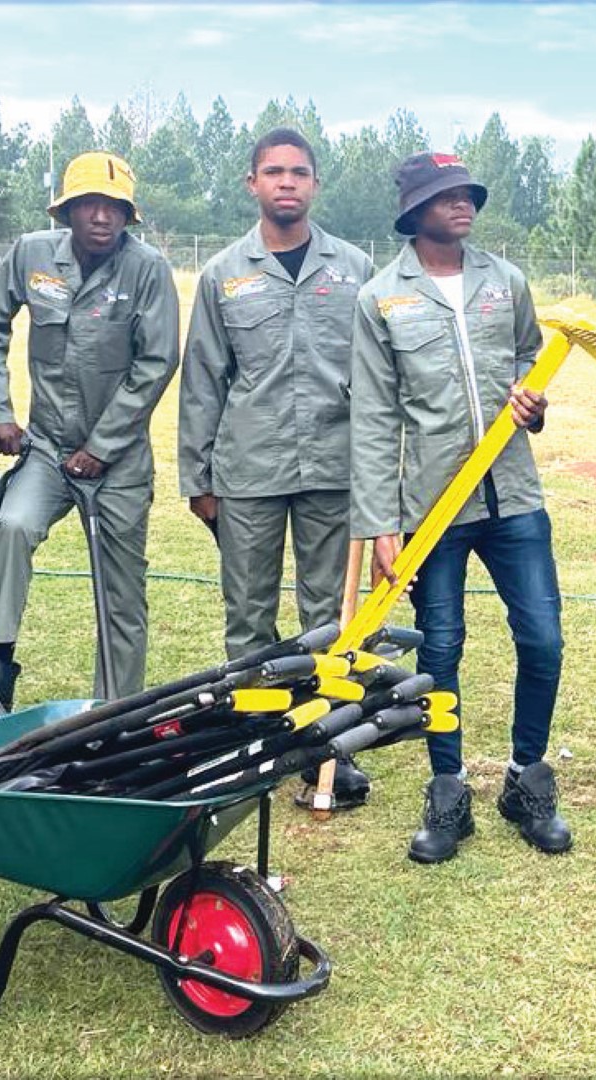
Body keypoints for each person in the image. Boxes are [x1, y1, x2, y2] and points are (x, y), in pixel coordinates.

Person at [349, 151, 571, 863]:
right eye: (447, 196)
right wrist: (382, 522)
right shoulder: (382, 297)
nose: (463, 204)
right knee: (439, 648)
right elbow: (375, 419)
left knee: (543, 638)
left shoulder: (505, 283)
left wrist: (534, 408)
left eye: (468, 193)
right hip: (432, 504)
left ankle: (525, 780)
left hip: (514, 495)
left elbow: (530, 368)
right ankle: (447, 793)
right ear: (415, 210)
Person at [0, 151, 180, 721]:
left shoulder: (148, 271)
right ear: (67, 210)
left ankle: (115, 713)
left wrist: (102, 447)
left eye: (114, 207)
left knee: (120, 591)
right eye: (89, 204)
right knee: (11, 527)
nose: (101, 217)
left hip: (117, 461)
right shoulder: (31, 254)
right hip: (45, 445)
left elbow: (157, 362)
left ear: (127, 216)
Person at [177, 127, 376, 807]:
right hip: (249, 473)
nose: (286, 182)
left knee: (331, 615)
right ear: (252, 184)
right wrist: (197, 481)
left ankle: (326, 752)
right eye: (273, 172)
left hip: (334, 468)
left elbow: (380, 379)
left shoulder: (355, 269)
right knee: (249, 618)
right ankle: (254, 743)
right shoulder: (223, 275)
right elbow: (203, 380)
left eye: (299, 172)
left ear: (315, 184)